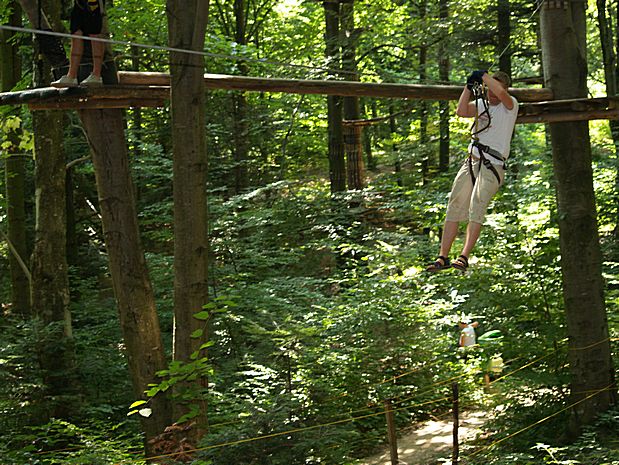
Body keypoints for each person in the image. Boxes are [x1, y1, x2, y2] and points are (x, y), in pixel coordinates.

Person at [426, 70, 518, 272]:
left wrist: (484, 76)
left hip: (492, 165)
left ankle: (464, 256)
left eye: (495, 89)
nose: (492, 94)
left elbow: (501, 95)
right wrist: (468, 88)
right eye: (489, 90)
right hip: (472, 161)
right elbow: (461, 111)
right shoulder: (482, 105)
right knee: (455, 204)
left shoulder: (510, 106)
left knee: (477, 206)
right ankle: (443, 257)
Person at [51, 0, 104, 88]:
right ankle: (71, 76)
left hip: (93, 2)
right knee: (76, 33)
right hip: (78, 3)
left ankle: (96, 75)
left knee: (94, 33)